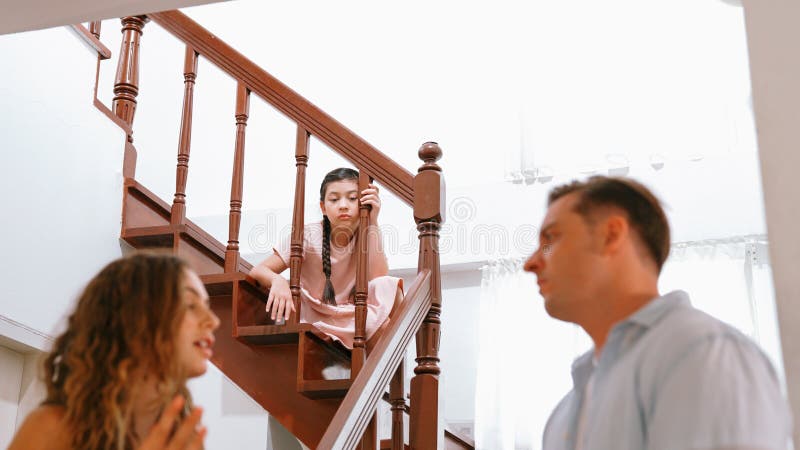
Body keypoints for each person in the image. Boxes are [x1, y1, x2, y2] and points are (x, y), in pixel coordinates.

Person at [523, 176, 791, 450]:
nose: (530, 263)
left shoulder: (703, 353)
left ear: (611, 235)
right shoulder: (565, 412)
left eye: (550, 239)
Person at [9, 252, 220, 450]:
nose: (213, 321)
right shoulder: (51, 429)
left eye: (207, 305)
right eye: (191, 305)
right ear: (135, 321)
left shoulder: (180, 434)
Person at [249, 167, 402, 349]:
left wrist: (373, 220)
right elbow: (258, 269)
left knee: (391, 290)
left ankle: (376, 374)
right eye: (334, 199)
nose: (343, 205)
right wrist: (278, 280)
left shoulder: (366, 234)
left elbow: (379, 278)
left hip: (349, 313)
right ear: (323, 207)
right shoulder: (308, 234)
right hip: (313, 314)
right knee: (378, 325)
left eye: (352, 198)